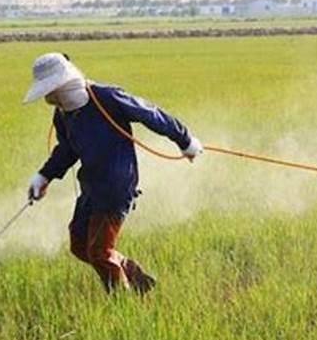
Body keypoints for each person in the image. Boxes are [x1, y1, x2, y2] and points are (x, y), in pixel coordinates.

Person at [23, 53, 203, 295]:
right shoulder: (64, 115)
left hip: (116, 186)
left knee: (99, 252)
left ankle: (123, 303)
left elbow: (151, 114)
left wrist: (185, 140)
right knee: (79, 244)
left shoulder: (106, 98)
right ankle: (131, 273)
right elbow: (67, 149)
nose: (49, 98)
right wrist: (44, 176)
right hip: (91, 187)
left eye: (51, 91)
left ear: (63, 84)